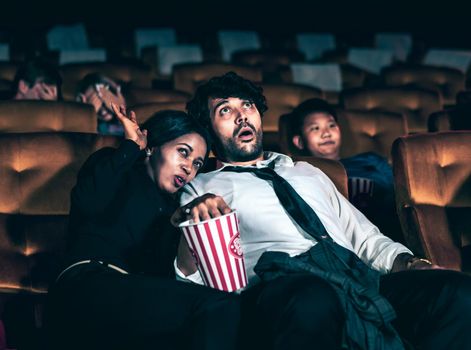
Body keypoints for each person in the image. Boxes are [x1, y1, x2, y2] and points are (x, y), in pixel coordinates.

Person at [174, 72, 471, 350]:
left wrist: (411, 263)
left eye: (247, 105)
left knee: (456, 292)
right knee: (311, 298)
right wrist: (192, 222)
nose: (242, 116)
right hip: (284, 284)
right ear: (209, 129)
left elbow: (365, 238)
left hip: (354, 277)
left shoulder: (307, 172)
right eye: (225, 110)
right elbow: (196, 281)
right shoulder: (202, 188)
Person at [46, 105, 240, 350]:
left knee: (220, 310)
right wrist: (131, 146)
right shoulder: (116, 165)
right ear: (153, 146)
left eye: (197, 164)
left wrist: (181, 225)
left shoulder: (173, 210)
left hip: (131, 306)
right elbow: (88, 201)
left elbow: (166, 278)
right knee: (218, 306)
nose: (189, 168)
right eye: (183, 152)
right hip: (85, 285)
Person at [289, 98, 402, 242]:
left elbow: (399, 196)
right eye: (315, 128)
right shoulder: (300, 173)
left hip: (385, 232)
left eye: (331, 125)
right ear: (299, 141)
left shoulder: (371, 161)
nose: (326, 133)